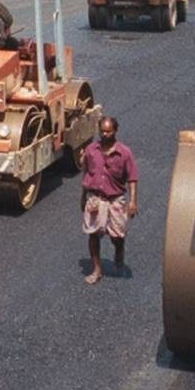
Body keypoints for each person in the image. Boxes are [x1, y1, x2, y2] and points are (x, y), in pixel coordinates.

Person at [80, 116, 137, 284]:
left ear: (115, 131)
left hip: (115, 199)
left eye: (108, 131)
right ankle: (97, 269)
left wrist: (133, 201)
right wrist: (83, 197)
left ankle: (119, 249)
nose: (105, 135)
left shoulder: (124, 153)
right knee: (93, 235)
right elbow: (86, 174)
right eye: (102, 131)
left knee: (116, 235)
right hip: (95, 199)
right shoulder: (91, 151)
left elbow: (132, 178)